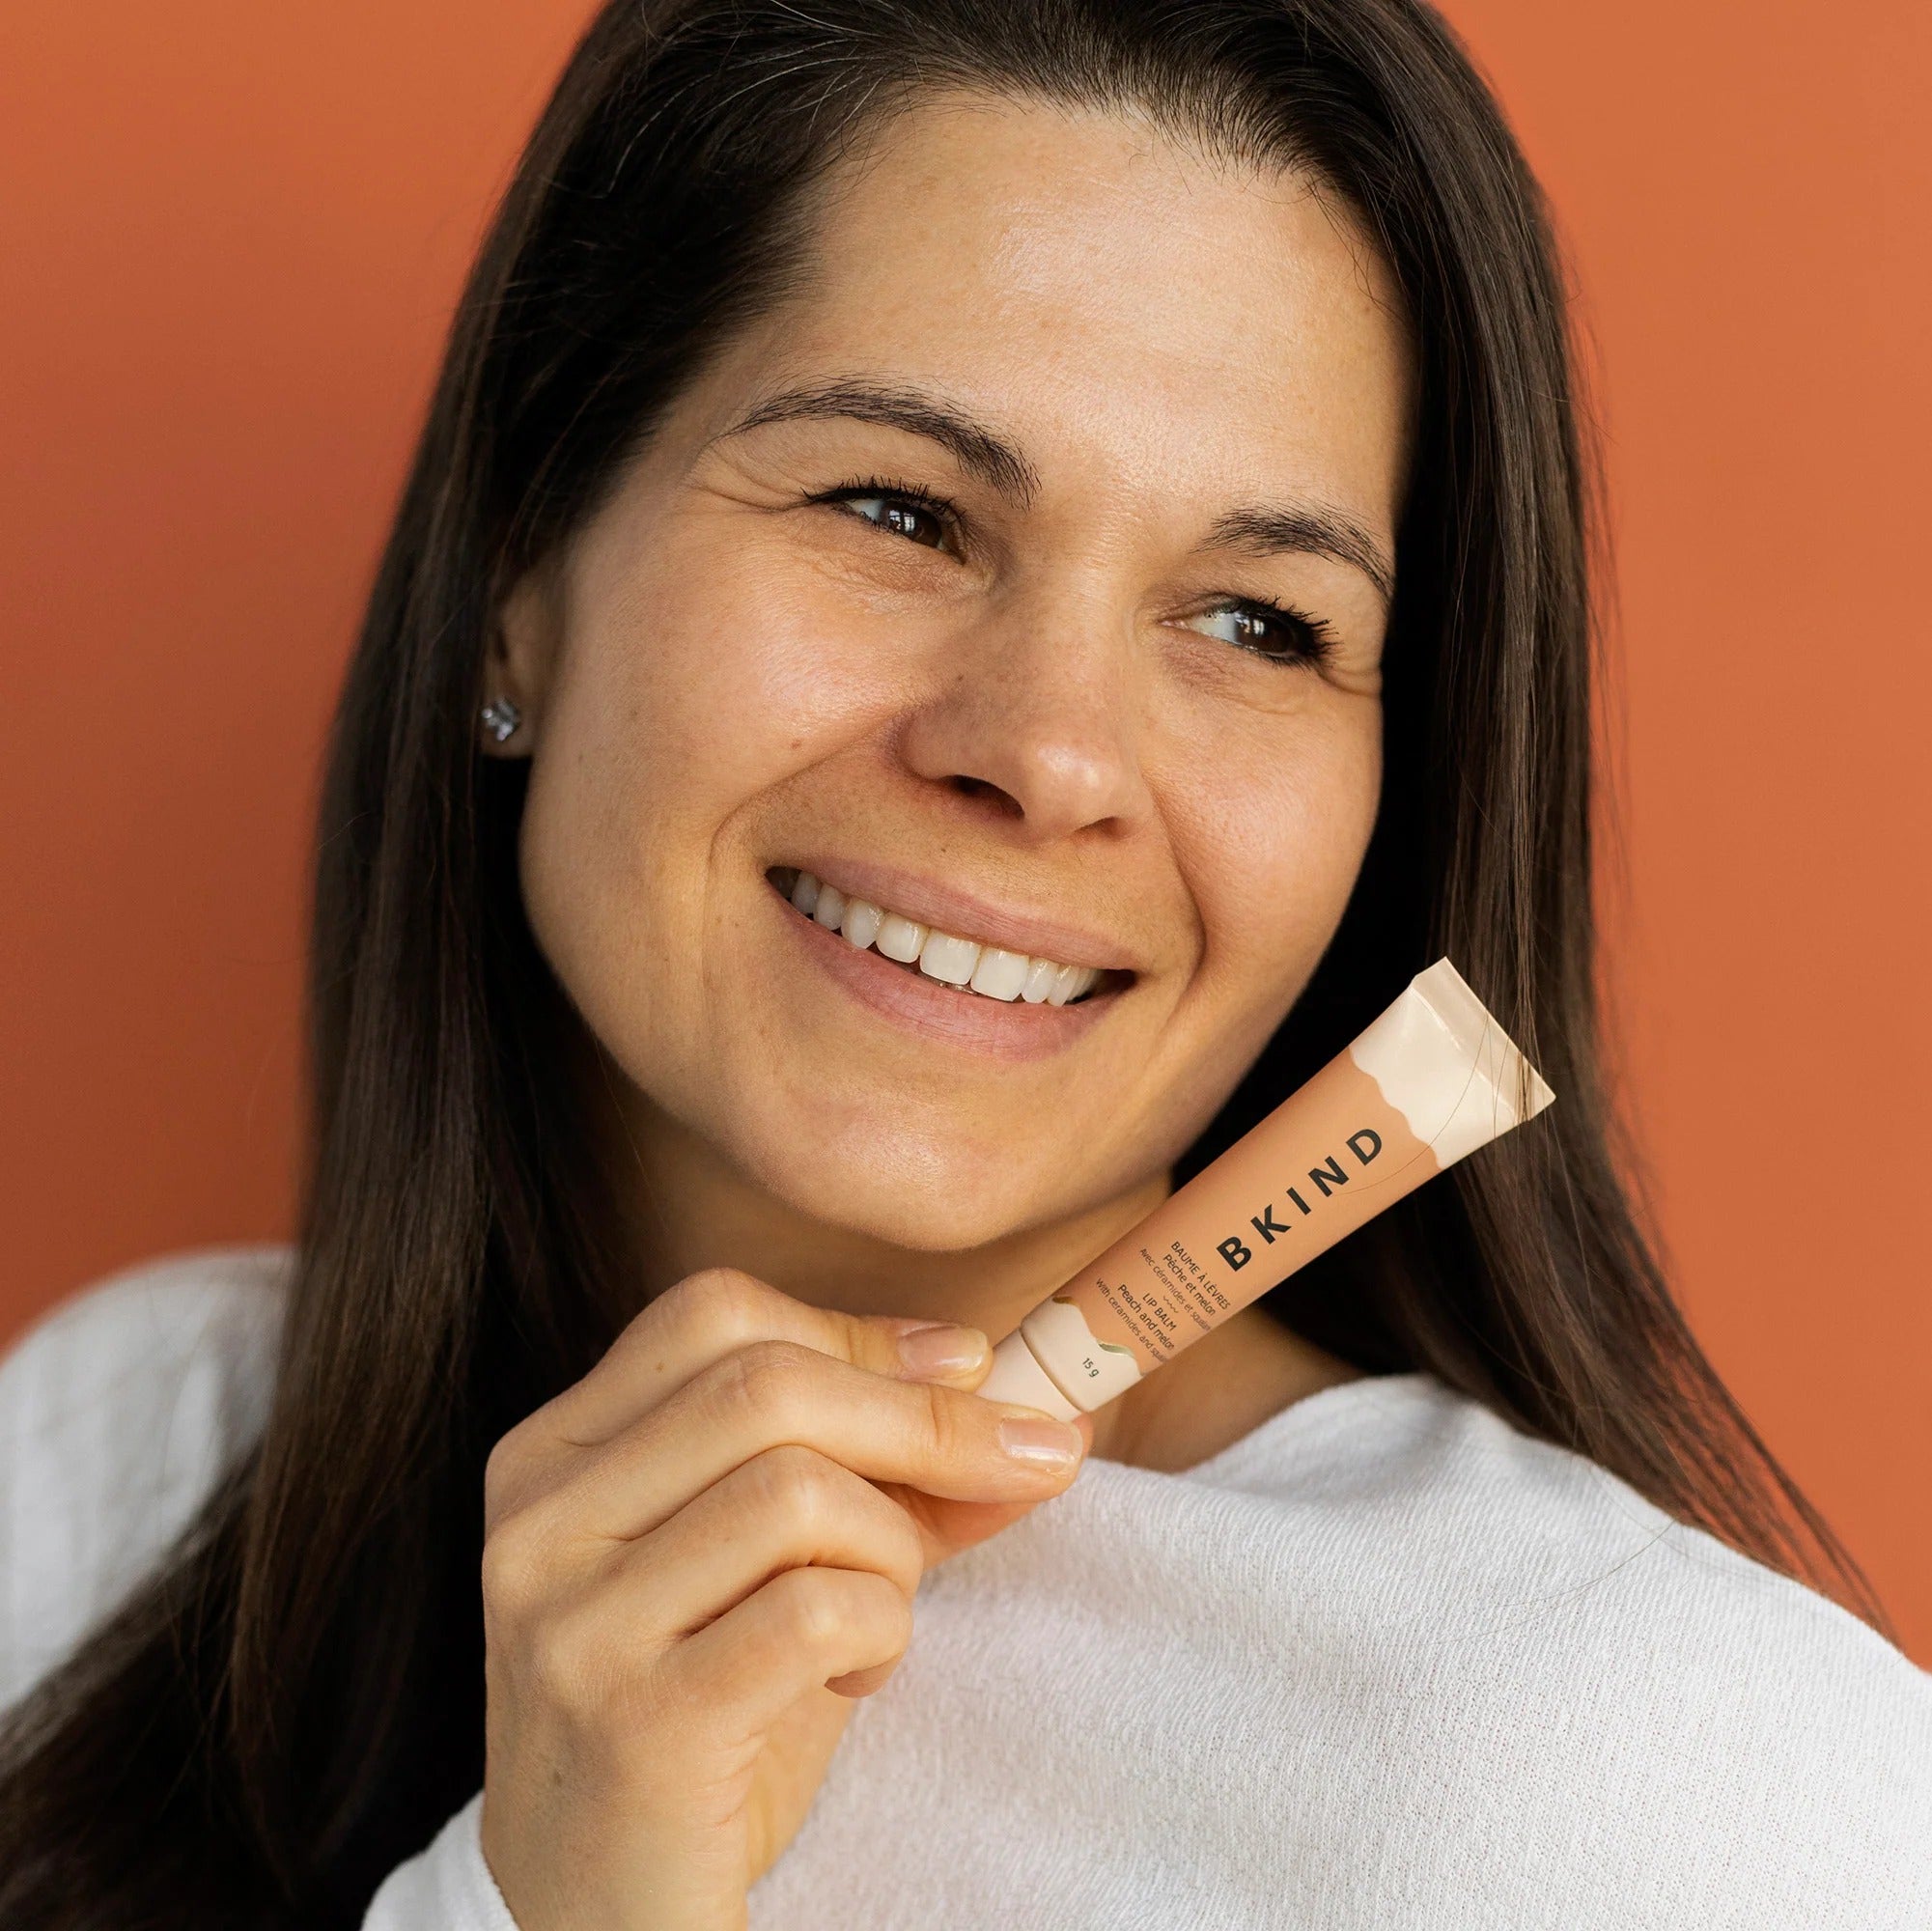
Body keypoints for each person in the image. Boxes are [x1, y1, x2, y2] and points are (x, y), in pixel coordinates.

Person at [3, 1, 1926, 1925]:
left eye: (1259, 620)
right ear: (517, 569)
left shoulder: (1664, 1786)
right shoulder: (133, 1444)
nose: (1049, 752)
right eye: (897, 509)